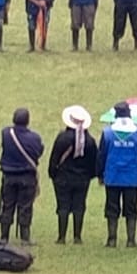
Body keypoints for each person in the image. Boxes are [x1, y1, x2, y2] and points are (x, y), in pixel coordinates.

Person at [98, 101, 137, 247]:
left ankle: (111, 239)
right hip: (132, 178)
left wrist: (100, 175)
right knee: (131, 210)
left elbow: (102, 156)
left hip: (112, 177)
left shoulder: (107, 133)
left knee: (112, 208)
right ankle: (131, 240)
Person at [48, 105, 98, 245]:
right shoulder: (90, 141)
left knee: (62, 206)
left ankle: (61, 236)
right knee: (79, 206)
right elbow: (94, 161)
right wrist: (90, 175)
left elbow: (55, 158)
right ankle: (77, 236)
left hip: (63, 178)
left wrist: (53, 174)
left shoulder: (62, 138)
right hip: (82, 178)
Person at [0, 107, 44, 244]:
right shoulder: (35, 137)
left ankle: (4, 236)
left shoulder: (6, 133)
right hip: (27, 176)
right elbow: (38, 152)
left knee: (7, 205)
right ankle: (25, 237)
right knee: (25, 207)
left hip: (9, 175)